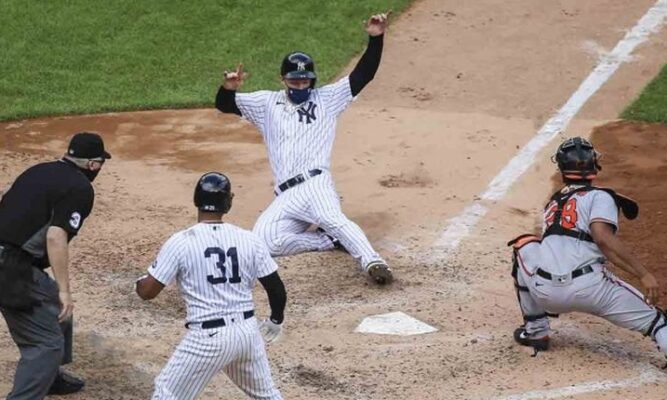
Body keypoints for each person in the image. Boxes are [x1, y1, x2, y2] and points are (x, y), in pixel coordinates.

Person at [508, 137, 667, 393]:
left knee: (524, 245)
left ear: (561, 169)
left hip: (544, 291)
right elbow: (603, 238)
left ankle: (536, 331)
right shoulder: (600, 196)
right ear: (594, 166)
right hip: (591, 289)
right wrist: (643, 273)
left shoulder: (552, 204)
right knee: (657, 322)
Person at [215, 11, 394, 285]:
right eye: (294, 80)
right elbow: (225, 105)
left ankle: (372, 261)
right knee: (266, 239)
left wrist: (376, 39)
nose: (300, 85)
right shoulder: (266, 104)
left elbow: (363, 75)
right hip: (286, 196)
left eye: (305, 80)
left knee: (334, 218)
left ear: (313, 79)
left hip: (316, 184)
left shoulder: (328, 99)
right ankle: (326, 240)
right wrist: (227, 88)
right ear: (282, 79)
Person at [135, 172, 286, 400]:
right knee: (267, 396)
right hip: (247, 334)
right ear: (229, 202)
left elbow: (147, 292)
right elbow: (276, 288)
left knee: (167, 393)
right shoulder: (249, 239)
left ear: (196, 200)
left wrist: (140, 281)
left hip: (208, 338)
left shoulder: (181, 242)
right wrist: (275, 320)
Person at [0, 132, 111, 398]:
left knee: (55, 305)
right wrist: (65, 290)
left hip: (10, 259)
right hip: (9, 268)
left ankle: (51, 378)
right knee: (45, 344)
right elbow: (55, 236)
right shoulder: (81, 188)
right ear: (93, 165)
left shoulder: (39, 170)